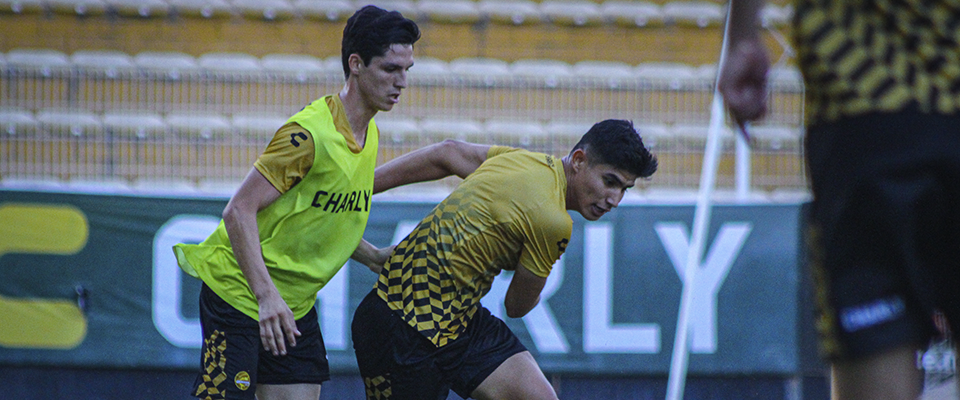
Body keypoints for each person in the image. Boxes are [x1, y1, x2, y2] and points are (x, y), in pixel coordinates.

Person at [171, 6, 419, 399]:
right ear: (356, 64)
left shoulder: (367, 132)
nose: (402, 81)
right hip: (238, 296)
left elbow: (321, 212)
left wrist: (372, 256)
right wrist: (266, 296)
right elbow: (238, 211)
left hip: (294, 308)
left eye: (407, 69)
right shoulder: (306, 135)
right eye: (391, 69)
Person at [721, 1, 960, 399]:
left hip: (865, 86)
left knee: (875, 357)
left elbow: (744, 45)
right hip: (867, 102)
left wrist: (742, 37)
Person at [351, 119, 658, 400]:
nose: (614, 199)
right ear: (578, 161)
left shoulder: (525, 160)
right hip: (400, 325)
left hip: (457, 320)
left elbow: (447, 152)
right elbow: (517, 306)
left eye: (624, 189)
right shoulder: (553, 222)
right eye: (610, 181)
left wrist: (358, 190)